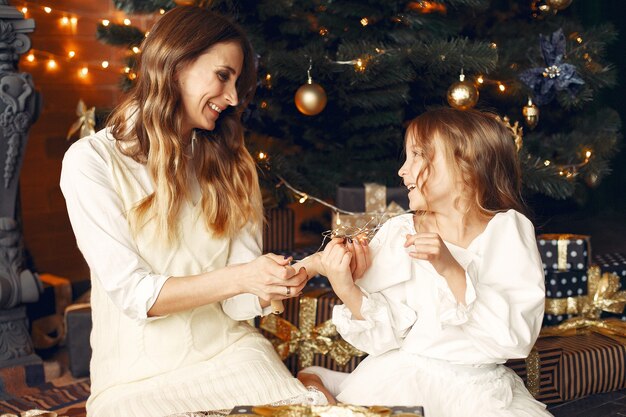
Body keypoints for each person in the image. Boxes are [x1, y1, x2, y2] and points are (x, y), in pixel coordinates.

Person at [60, 6, 326, 417]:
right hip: (135, 380)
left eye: (238, 82)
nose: (234, 98)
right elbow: (136, 296)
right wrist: (244, 276)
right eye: (223, 76)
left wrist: (273, 285)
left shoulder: (233, 164)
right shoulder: (91, 162)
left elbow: (236, 306)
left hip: (234, 356)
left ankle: (309, 385)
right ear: (176, 63)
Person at [295, 108, 553, 416]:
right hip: (403, 378)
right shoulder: (400, 232)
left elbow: (514, 340)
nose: (403, 171)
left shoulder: (508, 230)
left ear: (467, 166)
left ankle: (323, 388)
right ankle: (321, 386)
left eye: (417, 155)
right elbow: (384, 340)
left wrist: (450, 268)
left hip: (479, 392)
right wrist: (345, 287)